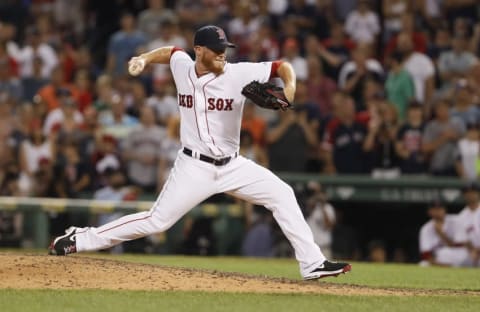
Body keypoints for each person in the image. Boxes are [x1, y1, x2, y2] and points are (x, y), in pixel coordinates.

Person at [48, 25, 351, 280]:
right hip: (194, 167)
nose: (223, 54)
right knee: (157, 221)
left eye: (225, 49)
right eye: (217, 49)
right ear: (200, 50)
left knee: (282, 194)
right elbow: (170, 52)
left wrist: (290, 91)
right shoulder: (183, 66)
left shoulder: (239, 73)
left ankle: (312, 263)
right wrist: (142, 58)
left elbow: (282, 67)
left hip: (234, 166)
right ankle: (80, 238)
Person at [418, 200, 457, 266]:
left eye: (439, 209)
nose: (437, 212)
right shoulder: (426, 229)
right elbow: (425, 254)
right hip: (437, 260)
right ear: (429, 212)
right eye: (434, 209)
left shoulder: (455, 221)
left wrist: (441, 234)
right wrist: (439, 264)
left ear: (445, 210)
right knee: (423, 264)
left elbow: (459, 246)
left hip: (455, 257)